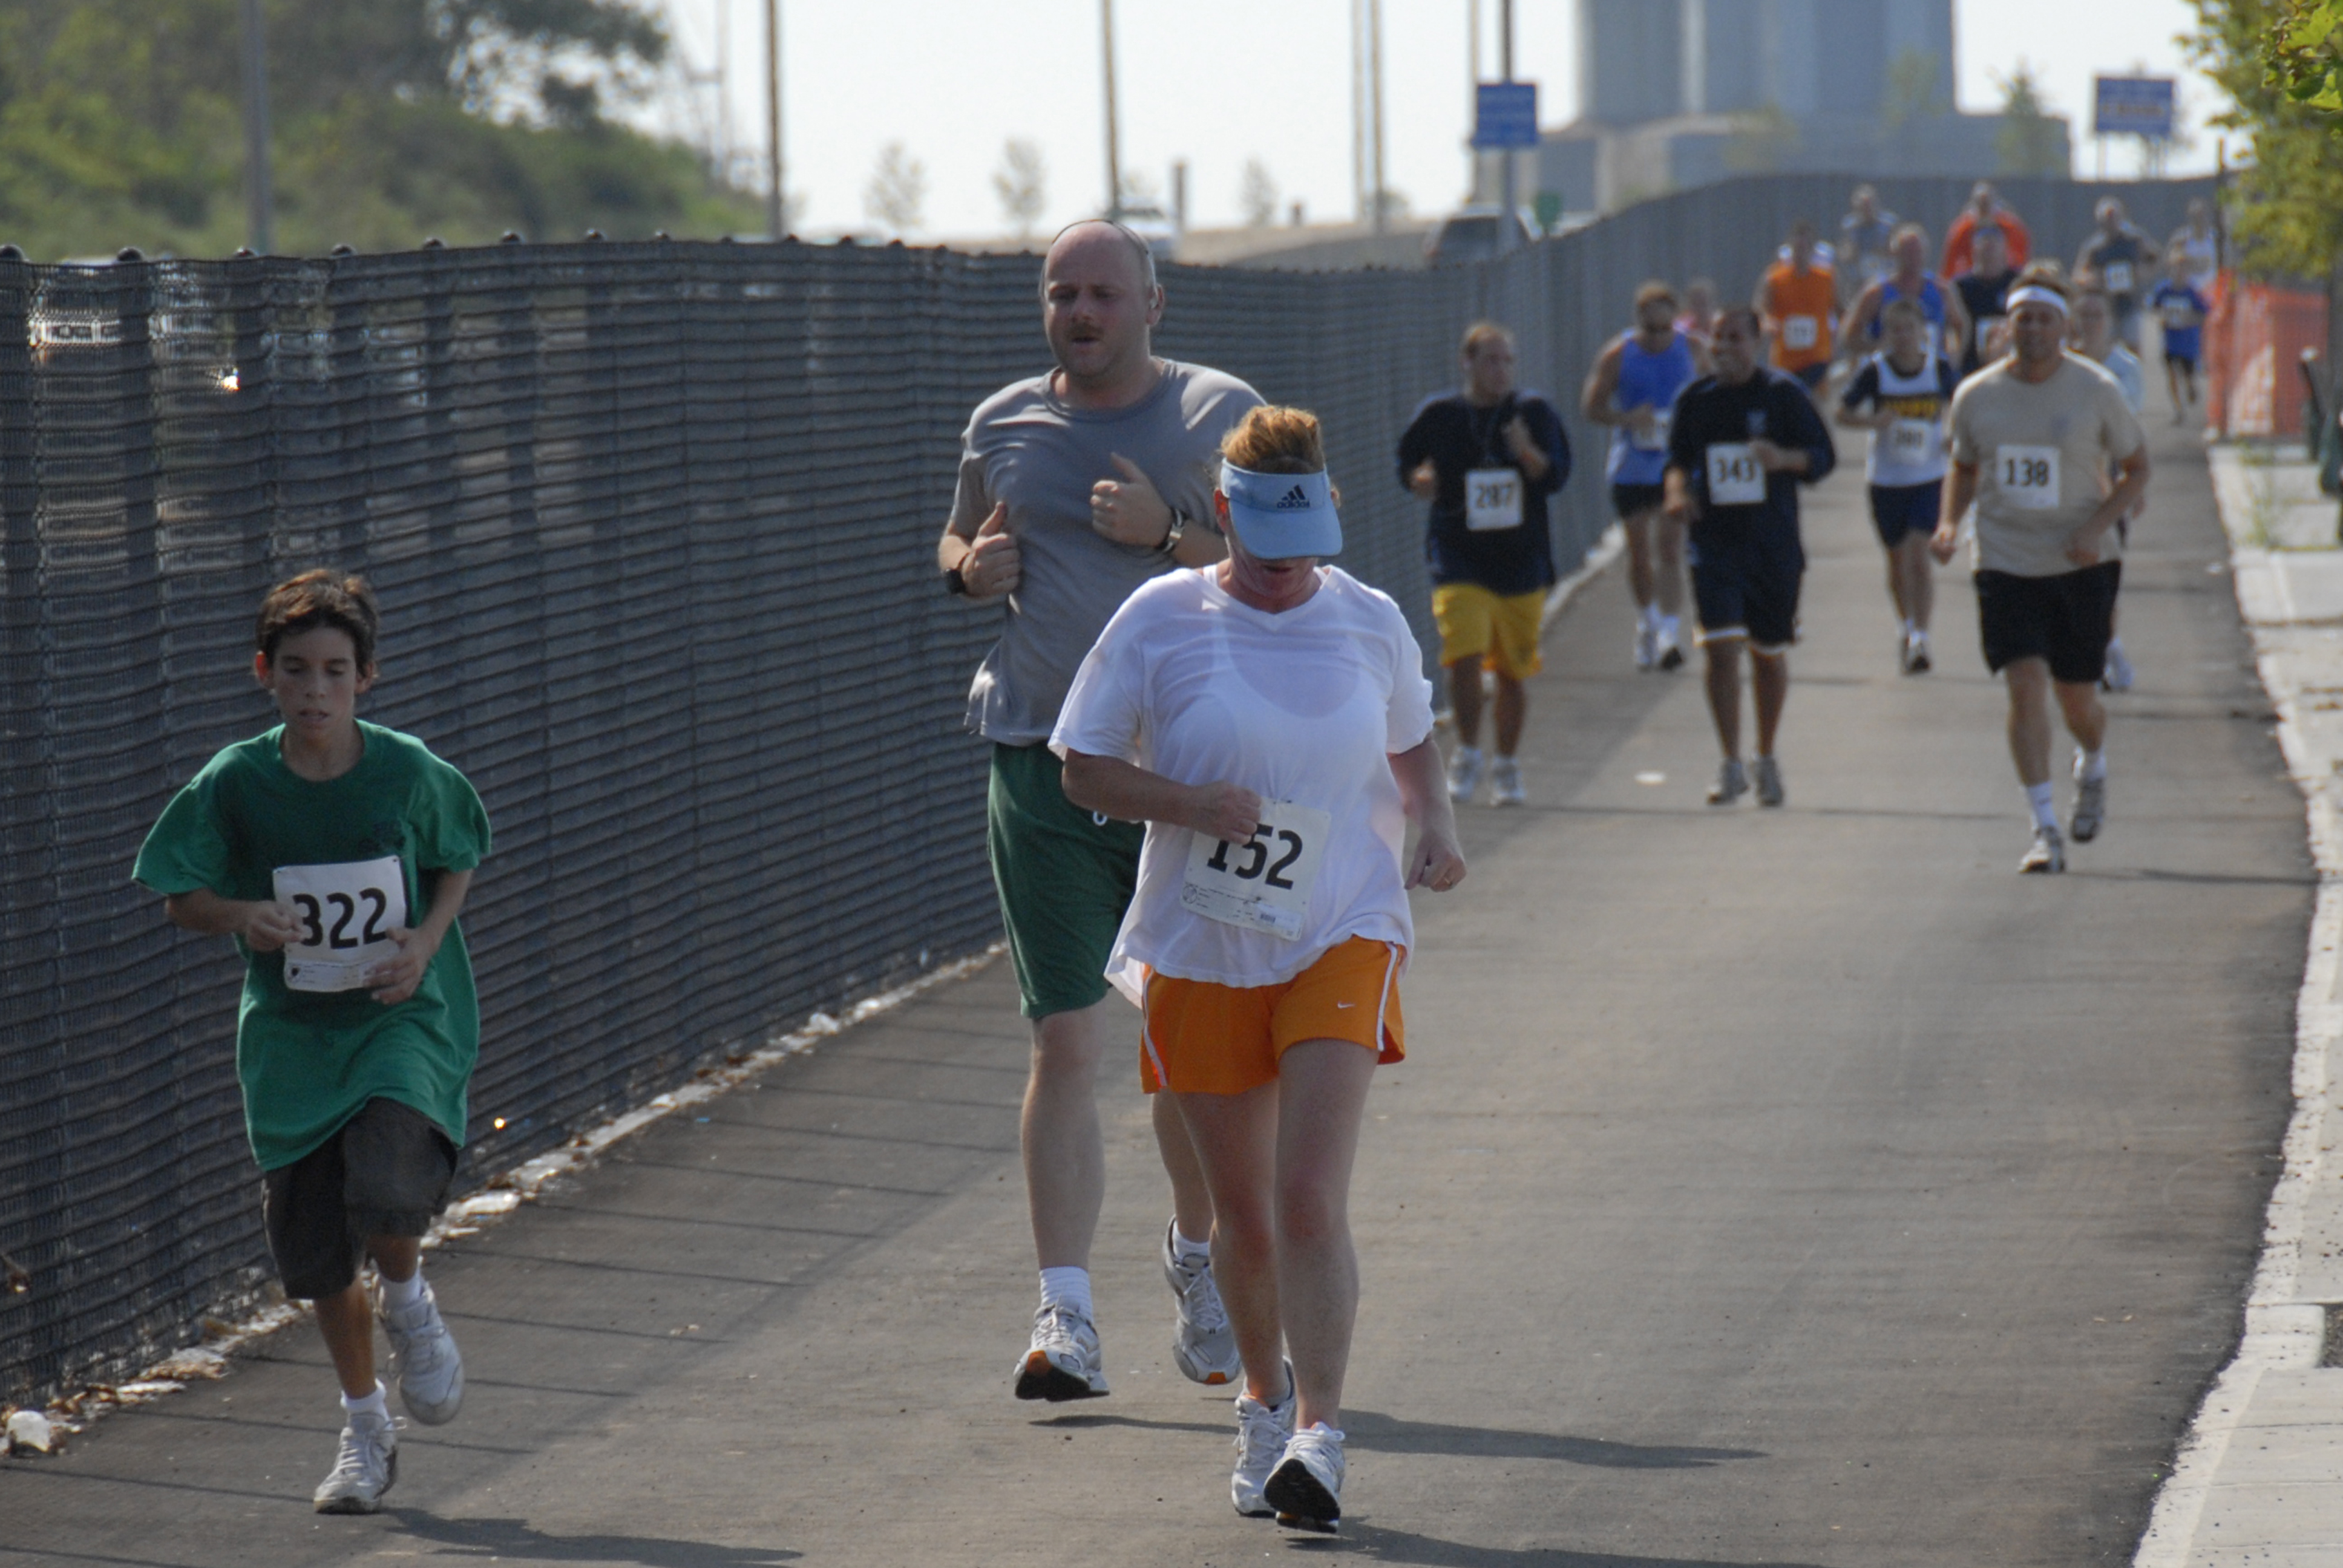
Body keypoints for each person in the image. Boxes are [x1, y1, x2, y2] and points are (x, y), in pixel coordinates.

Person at [1053, 404, 1466, 1534]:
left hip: (1342, 927)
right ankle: (1261, 1401)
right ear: (1223, 517)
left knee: (1304, 1196)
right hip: (1200, 943)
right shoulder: (1157, 619)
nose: (1288, 576)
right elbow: (1082, 771)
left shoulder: (1369, 618)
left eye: (1307, 553)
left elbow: (1412, 738)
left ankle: (1320, 1436)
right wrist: (1189, 804)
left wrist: (1433, 821)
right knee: (1244, 1216)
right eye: (1266, 553)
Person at [936, 219, 1257, 1403]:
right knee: (1064, 1036)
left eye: (1104, 294)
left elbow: (1292, 558)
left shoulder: (1221, 414)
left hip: (1180, 780)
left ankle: (1196, 1257)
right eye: (1062, 292)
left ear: (1153, 306)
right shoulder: (1003, 424)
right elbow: (963, 532)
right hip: (1040, 761)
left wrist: (1167, 537)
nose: (1081, 311)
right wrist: (964, 568)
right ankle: (1062, 1316)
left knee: (1179, 1041)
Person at [132, 570, 490, 1514]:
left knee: (385, 1183)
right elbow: (180, 895)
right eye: (297, 671)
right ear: (265, 675)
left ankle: (412, 1307)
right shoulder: (237, 782)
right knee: (319, 1259)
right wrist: (242, 913)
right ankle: (366, 1427)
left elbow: (459, 857)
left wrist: (423, 940)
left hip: (398, 1016)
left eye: (336, 671)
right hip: (293, 1039)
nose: (316, 690)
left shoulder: (407, 769)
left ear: (366, 678)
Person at [1932, 272, 2150, 873]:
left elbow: (2136, 468)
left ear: (2064, 329)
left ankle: (2094, 761)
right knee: (2023, 682)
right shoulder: (1975, 395)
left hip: (2079, 561)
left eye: (2042, 318)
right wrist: (1949, 523)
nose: (2029, 329)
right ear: (2005, 326)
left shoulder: (2095, 390)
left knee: (2076, 699)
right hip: (2004, 558)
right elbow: (1964, 466)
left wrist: (2093, 527)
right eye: (2020, 318)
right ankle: (2043, 827)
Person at [1663, 307, 1838, 808]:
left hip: (1773, 547)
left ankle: (1766, 756)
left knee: (1768, 654)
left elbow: (1822, 458)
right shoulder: (1695, 400)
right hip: (1715, 545)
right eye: (1717, 340)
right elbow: (1677, 463)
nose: (1725, 349)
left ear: (1758, 343)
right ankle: (1729, 762)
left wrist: (1782, 458)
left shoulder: (1783, 395)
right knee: (1719, 651)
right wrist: (1677, 495)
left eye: (1735, 339)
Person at [1398, 323, 1573, 806]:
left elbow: (1556, 474)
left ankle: (1507, 765)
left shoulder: (1533, 413)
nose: (1500, 370)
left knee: (1514, 672)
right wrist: (1421, 478)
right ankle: (1469, 752)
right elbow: (1407, 465)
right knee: (1465, 653)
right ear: (1468, 362)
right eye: (1491, 360)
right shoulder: (1441, 416)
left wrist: (1524, 451)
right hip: (1459, 557)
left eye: (1507, 361)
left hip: (1521, 562)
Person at [1582, 283, 1704, 674]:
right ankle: (1647, 623)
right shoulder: (1619, 355)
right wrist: (1626, 419)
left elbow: (1716, 391)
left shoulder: (1693, 349)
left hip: (1674, 464)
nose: (1657, 338)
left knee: (1670, 548)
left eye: (1664, 330)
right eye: (1649, 331)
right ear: (1638, 324)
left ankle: (1670, 633)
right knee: (1638, 552)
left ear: (1675, 322)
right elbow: (1592, 407)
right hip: (1631, 465)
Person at [1837, 297, 1959, 674]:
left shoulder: (1938, 369)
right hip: (1887, 480)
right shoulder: (1875, 372)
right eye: (1895, 330)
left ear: (1924, 331)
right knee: (1897, 561)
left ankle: (1921, 637)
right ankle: (1905, 627)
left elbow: (1960, 405)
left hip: (1929, 477)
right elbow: (1841, 414)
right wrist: (1874, 423)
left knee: (1919, 556)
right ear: (1885, 335)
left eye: (1909, 328)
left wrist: (1951, 433)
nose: (1903, 337)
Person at [2070, 287, 2148, 693]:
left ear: (2109, 322)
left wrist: (2135, 489)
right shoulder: (2061, 366)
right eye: (2082, 314)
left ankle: (2107, 649)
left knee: (2102, 577)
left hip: (2111, 483)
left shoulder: (2125, 368)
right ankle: (2105, 651)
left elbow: (2130, 433)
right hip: (2069, 484)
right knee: (2074, 576)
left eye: (2096, 315)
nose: (2089, 323)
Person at [1843, 223, 1969, 367]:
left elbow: (1960, 326)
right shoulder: (1877, 292)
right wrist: (1877, 348)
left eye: (1917, 252)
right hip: (1890, 369)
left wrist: (1955, 354)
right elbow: (1849, 336)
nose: (1913, 258)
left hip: (1932, 370)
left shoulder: (1941, 290)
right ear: (1895, 254)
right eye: (1908, 252)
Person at [1756, 219, 1838, 393]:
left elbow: (1841, 308)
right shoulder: (1775, 278)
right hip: (1785, 358)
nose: (1800, 253)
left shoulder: (1826, 278)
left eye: (1804, 248)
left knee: (1808, 398)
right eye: (1797, 248)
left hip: (1817, 355)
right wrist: (1768, 322)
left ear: (1812, 250)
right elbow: (1761, 308)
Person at [2076, 198, 2152, 350]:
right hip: (2106, 305)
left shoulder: (2134, 240)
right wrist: (2094, 279)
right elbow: (2079, 272)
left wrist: (2143, 272)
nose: (2111, 223)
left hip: (2130, 302)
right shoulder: (2095, 247)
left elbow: (2155, 258)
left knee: (2133, 345)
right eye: (2107, 220)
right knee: (2106, 347)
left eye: (2115, 218)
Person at [2150, 243, 2210, 424]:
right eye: (2176, 267)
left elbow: (2204, 314)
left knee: (2188, 377)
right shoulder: (2164, 290)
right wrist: (2162, 319)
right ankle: (2178, 409)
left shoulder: (2192, 292)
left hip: (2188, 343)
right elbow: (2154, 309)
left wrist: (2188, 319)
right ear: (2170, 268)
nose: (2179, 271)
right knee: (2172, 376)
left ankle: (2192, 388)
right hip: (2170, 341)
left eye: (2183, 268)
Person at [1954, 221, 2019, 377]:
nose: (1989, 251)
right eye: (1984, 245)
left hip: (2011, 360)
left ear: (2005, 249)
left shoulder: (2017, 282)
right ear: (1974, 250)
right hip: (1972, 364)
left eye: (1994, 245)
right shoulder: (1960, 287)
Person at [1942, 181, 2033, 278]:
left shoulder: (2011, 227)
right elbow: (1950, 262)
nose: (1984, 209)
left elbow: (2022, 256)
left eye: (1987, 203)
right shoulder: (1962, 229)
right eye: (1981, 204)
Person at [1838, 183, 1900, 304]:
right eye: (1863, 207)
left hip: (1883, 272)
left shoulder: (1888, 225)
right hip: (1859, 277)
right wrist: (1851, 252)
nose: (1867, 210)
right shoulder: (1850, 227)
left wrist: (1883, 250)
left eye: (1869, 206)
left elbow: (1896, 251)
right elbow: (1845, 252)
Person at [2171, 198, 2220, 299]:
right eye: (2195, 216)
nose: (2198, 219)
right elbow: (2173, 261)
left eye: (2201, 215)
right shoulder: (2182, 238)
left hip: (2212, 290)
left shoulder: (2216, 238)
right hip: (2189, 292)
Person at [1676, 278, 1719, 352]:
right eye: (1696, 304)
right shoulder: (1681, 331)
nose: (1700, 309)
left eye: (1704, 304)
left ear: (1713, 305)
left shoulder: (1721, 327)